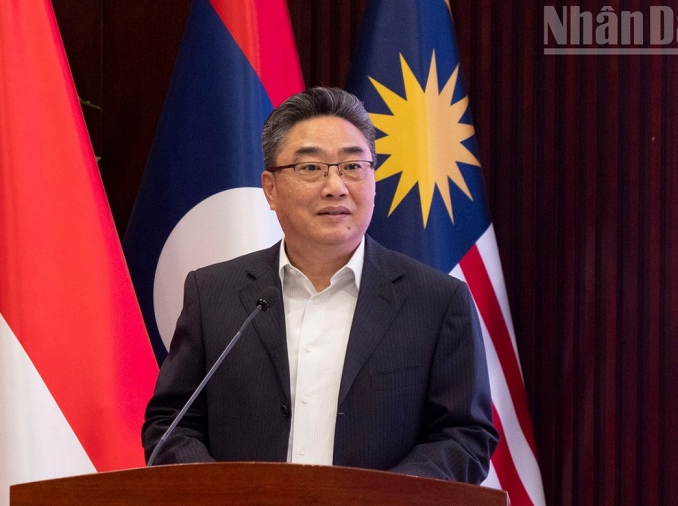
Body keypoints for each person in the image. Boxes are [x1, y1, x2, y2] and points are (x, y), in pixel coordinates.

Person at [142, 86, 498, 483]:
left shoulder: (436, 301)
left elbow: (464, 436)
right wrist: (227, 495)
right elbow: (171, 425)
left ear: (374, 180)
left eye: (352, 166)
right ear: (271, 188)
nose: (335, 187)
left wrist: (385, 499)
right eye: (311, 168)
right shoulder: (213, 294)